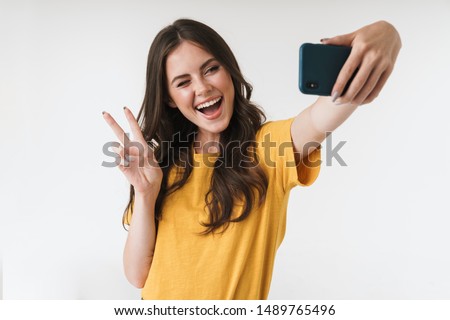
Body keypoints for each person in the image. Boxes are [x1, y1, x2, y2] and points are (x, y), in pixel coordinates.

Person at [102, 19, 401, 299]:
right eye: (183, 82)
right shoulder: (158, 166)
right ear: (169, 98)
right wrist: (145, 193)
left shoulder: (267, 148)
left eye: (210, 69)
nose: (203, 88)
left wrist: (388, 34)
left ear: (229, 71)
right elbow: (138, 275)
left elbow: (325, 114)